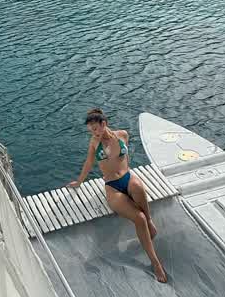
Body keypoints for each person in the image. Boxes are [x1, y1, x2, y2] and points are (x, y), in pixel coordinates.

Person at [68, 108, 167, 283]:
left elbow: (125, 159)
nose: (94, 133)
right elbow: (89, 163)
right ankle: (155, 262)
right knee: (139, 218)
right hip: (112, 186)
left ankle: (150, 222)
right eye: (90, 130)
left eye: (95, 128)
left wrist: (127, 173)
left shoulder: (122, 135)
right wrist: (79, 182)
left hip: (127, 178)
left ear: (104, 123)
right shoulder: (94, 143)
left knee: (138, 186)